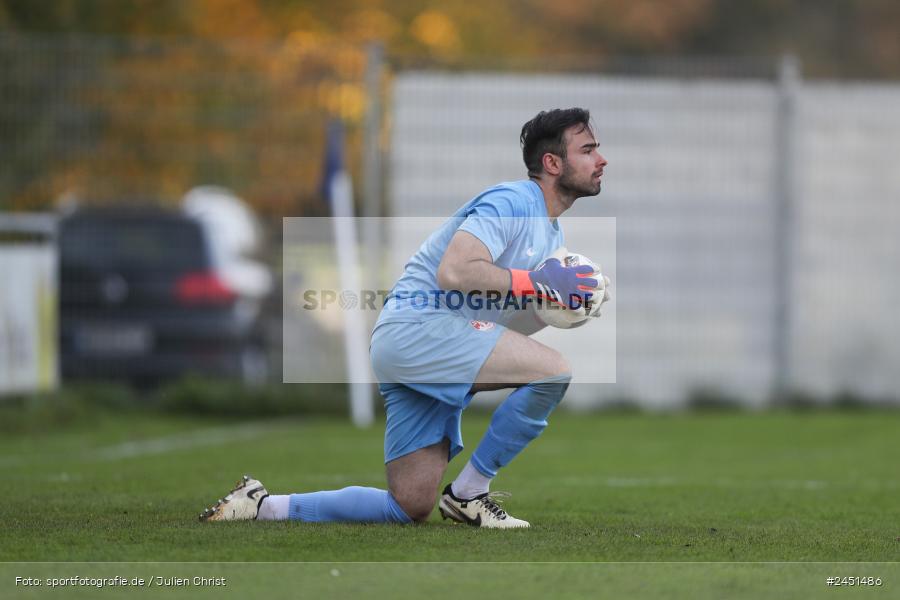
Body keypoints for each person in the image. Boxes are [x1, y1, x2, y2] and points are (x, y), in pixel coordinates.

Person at [199, 107, 609, 528]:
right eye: (589, 150)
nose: (601, 160)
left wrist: (561, 310)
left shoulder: (551, 233)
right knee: (553, 372)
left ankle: (262, 505)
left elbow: (506, 325)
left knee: (408, 505)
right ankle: (469, 494)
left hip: (420, 342)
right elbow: (456, 272)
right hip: (420, 330)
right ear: (553, 163)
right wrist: (539, 283)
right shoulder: (513, 201)